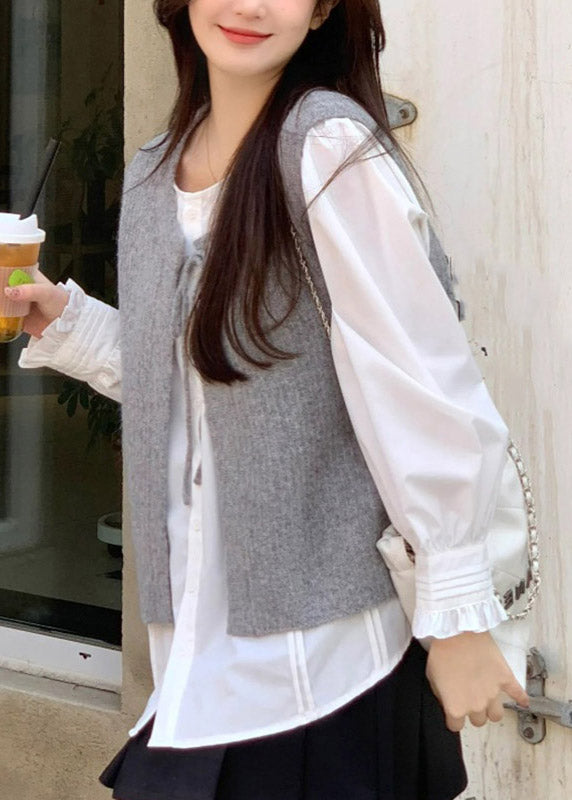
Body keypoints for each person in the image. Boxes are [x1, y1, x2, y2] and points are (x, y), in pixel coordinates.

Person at [9, 2, 530, 798]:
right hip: (197, 661)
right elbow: (199, 387)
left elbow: (418, 383)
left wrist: (458, 619)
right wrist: (67, 321)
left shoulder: (325, 147)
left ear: (322, 9)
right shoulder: (154, 171)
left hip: (321, 665)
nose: (251, 5)